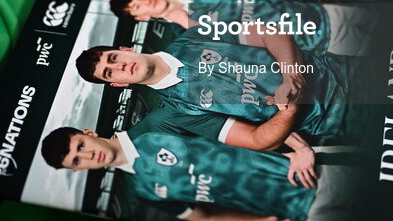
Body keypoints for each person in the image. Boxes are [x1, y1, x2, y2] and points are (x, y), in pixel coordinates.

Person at [76, 22, 368, 147]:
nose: (119, 67)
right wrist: (287, 112)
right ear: (116, 85)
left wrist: (290, 76)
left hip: (343, 70)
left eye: (113, 58)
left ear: (125, 49)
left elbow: (267, 32)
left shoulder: (193, 34)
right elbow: (257, 140)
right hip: (339, 120)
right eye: (110, 73)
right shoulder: (176, 112)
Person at [41, 123, 360, 221]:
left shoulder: (157, 126)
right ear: (78, 171)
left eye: (81, 146)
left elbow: (250, 120)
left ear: (88, 133)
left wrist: (300, 147)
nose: (86, 156)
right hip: (306, 214)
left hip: (322, 172)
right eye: (76, 161)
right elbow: (206, 220)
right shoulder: (143, 190)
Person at [109, 0, 373, 56]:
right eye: (137, 7)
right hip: (321, 42)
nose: (145, 2)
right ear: (141, 18)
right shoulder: (184, 34)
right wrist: (183, 17)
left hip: (322, 10)